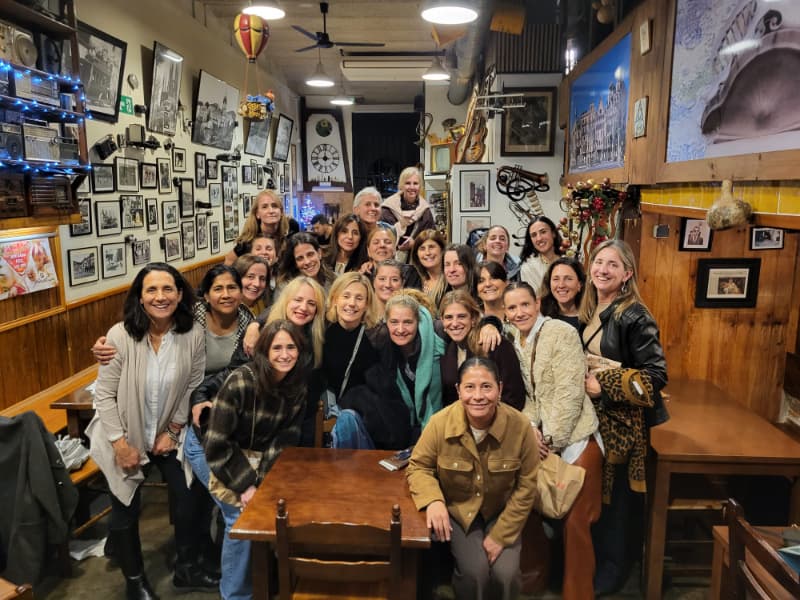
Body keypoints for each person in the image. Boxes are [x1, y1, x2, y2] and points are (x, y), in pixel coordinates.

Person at [85, 263, 212, 599]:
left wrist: (173, 430)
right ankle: (134, 579)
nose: (160, 296)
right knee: (125, 509)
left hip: (169, 431)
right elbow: (104, 394)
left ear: (180, 294)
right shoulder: (119, 336)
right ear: (139, 298)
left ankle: (187, 567)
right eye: (151, 290)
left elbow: (193, 385)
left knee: (187, 499)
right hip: (123, 433)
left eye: (168, 289)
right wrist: (120, 444)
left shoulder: (192, 335)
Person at [407, 357, 540, 600]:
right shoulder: (439, 423)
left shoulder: (520, 427)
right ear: (458, 390)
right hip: (460, 512)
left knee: (506, 575)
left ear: (499, 389)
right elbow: (418, 467)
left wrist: (501, 535)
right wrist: (433, 501)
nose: (478, 396)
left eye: (486, 387)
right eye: (469, 387)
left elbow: (527, 484)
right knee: (475, 574)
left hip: (503, 511)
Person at [579, 239, 668, 595]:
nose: (602, 269)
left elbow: (657, 375)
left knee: (615, 503)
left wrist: (606, 384)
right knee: (598, 495)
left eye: (612, 264)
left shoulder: (634, 315)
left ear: (627, 273)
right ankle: (598, 563)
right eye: (599, 262)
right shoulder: (595, 308)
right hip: (596, 419)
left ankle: (613, 573)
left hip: (622, 425)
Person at [503, 281, 603, 599]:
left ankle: (578, 593)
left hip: (576, 439)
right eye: (512, 308)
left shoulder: (560, 332)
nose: (519, 312)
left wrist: (549, 441)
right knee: (524, 506)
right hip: (542, 441)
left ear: (536, 303)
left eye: (524, 305)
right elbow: (530, 397)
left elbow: (570, 394)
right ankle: (532, 586)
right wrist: (530, 427)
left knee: (576, 523)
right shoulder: (515, 341)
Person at [204, 320, 312, 600]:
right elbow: (217, 444)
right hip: (224, 455)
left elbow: (285, 439)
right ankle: (235, 594)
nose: (284, 354)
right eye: (277, 347)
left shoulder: (297, 384)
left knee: (280, 509)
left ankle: (272, 583)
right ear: (264, 351)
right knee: (241, 519)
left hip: (263, 457)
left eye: (291, 347)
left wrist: (264, 485)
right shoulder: (241, 382)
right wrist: (246, 486)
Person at [439, 290, 524, 410]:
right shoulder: (447, 351)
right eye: (449, 317)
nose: (455, 323)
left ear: (473, 319)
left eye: (461, 316)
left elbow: (514, 397)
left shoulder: (494, 344)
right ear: (442, 321)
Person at [380, 167, 435, 260]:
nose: (412, 187)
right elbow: (381, 236)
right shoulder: (387, 209)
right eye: (407, 183)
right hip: (390, 259)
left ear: (420, 186)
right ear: (401, 185)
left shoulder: (425, 211)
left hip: (418, 260)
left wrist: (415, 243)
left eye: (415, 183)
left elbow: (432, 238)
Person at [225, 190, 289, 265]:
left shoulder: (289, 236)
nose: (271, 211)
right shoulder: (247, 242)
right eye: (264, 207)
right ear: (257, 214)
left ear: (281, 212)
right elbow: (229, 260)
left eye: (274, 206)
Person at [519, 217, 564, 295]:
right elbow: (534, 299)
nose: (539, 238)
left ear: (553, 233)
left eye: (543, 232)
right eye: (534, 235)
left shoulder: (568, 258)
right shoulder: (528, 267)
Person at [539, 257, 586, 330]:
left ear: (580, 285)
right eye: (556, 279)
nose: (561, 285)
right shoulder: (541, 316)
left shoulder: (591, 319)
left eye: (568, 279)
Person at [410, 229, 447, 312]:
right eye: (422, 249)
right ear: (417, 254)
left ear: (442, 250)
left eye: (431, 247)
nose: (427, 253)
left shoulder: (451, 281)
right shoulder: (412, 279)